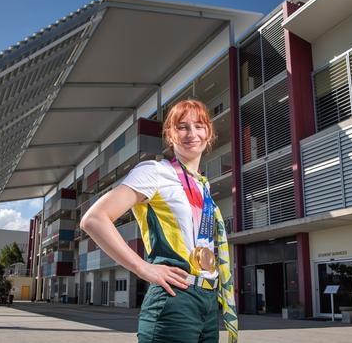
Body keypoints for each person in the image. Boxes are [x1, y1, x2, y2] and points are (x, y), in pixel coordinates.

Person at [80, 99, 238, 343]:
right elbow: (94, 219)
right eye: (182, 127)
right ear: (170, 135)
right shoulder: (154, 172)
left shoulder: (203, 185)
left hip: (207, 299)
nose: (192, 133)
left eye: (199, 125)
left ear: (209, 133)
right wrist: (142, 267)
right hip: (174, 298)